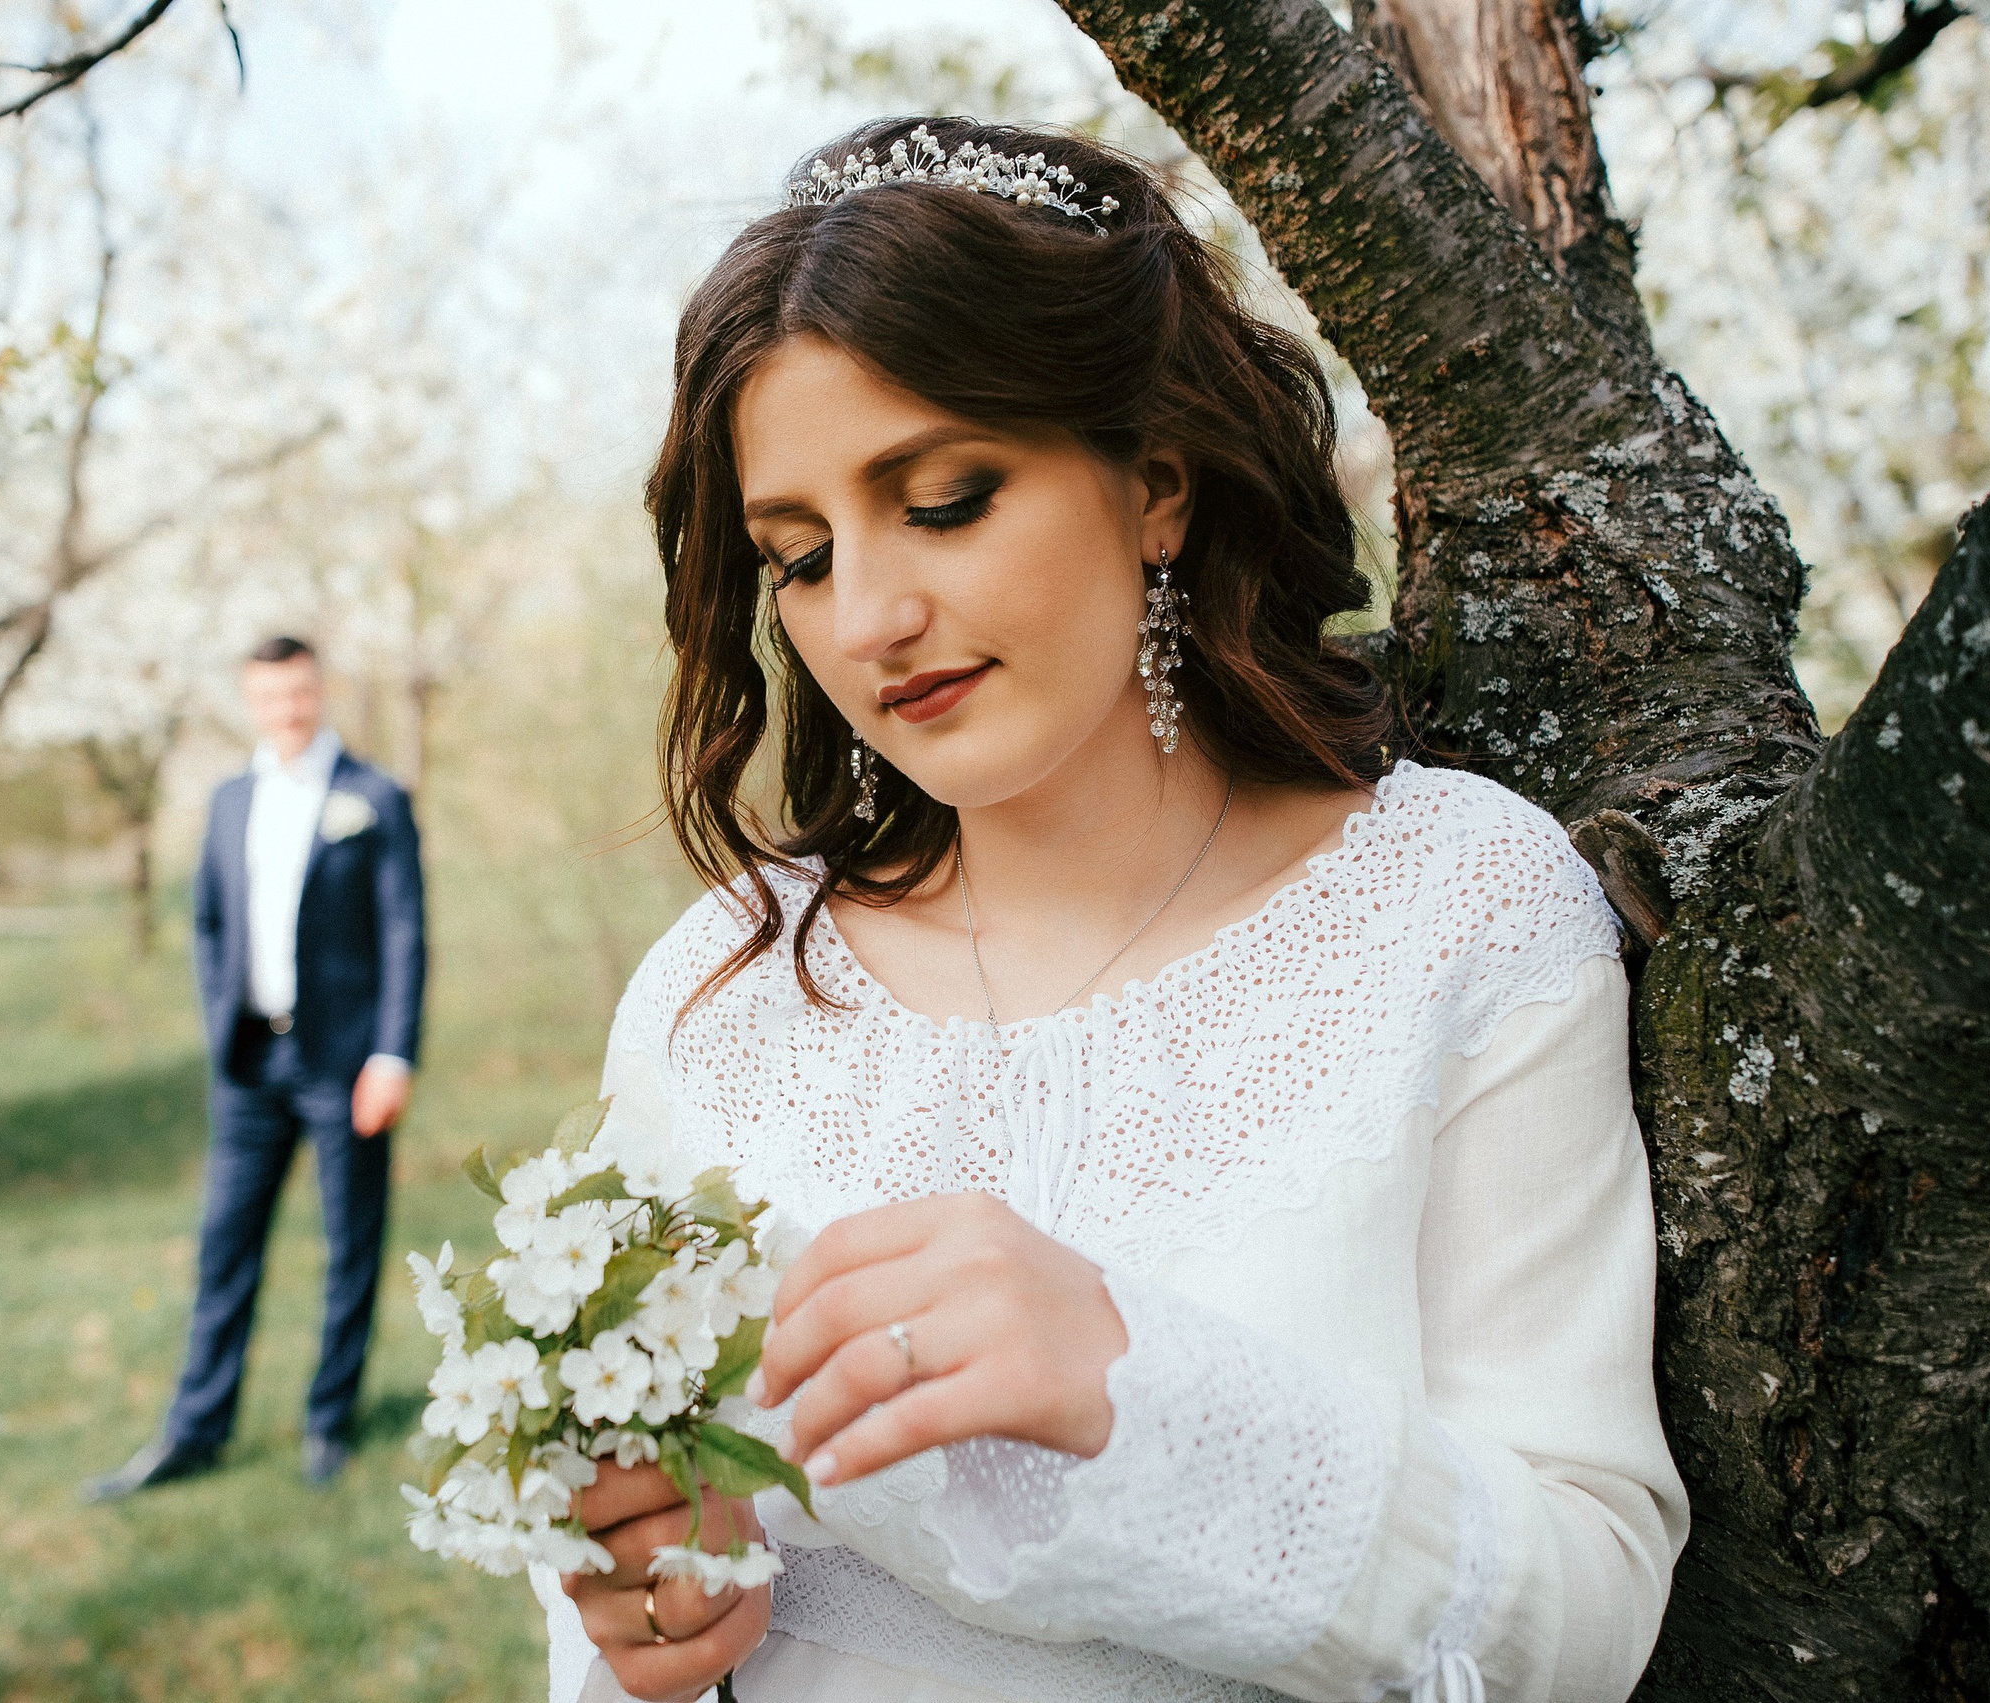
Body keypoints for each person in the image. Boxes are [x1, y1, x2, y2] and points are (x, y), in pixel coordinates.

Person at [541, 119, 1686, 1703]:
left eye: (943, 500)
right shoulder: (721, 997)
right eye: (796, 557)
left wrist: (1136, 1390)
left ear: (1156, 482)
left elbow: (1586, 1614)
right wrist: (645, 1605)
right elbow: (622, 1562)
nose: (868, 617)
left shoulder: (1458, 910)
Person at [84, 635, 426, 1500]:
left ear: (320, 690)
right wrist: (216, 1016)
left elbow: (403, 932)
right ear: (252, 700)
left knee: (350, 1245)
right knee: (223, 1247)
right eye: (271, 696)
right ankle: (194, 1429)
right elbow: (207, 921)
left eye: (300, 692)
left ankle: (328, 1420)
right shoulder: (231, 798)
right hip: (249, 1060)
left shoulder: (372, 795)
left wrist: (392, 1054)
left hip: (346, 1064)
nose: (288, 709)